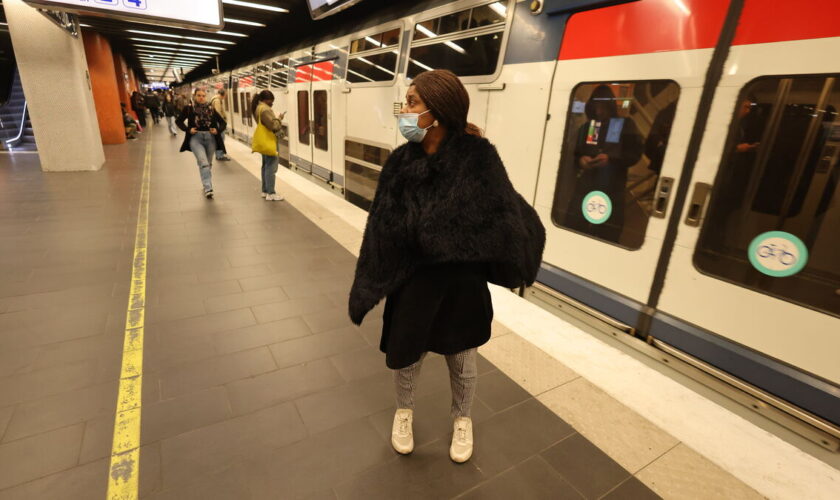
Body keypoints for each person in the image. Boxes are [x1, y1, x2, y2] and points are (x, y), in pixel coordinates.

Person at [348, 70, 545, 464]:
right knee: (407, 355)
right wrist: (372, 279)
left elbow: (506, 210)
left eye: (412, 103)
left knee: (463, 359)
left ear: (437, 112)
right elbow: (381, 223)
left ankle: (462, 419)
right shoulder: (401, 162)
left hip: (461, 282)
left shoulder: (478, 157)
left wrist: (512, 253)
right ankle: (404, 414)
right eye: (406, 102)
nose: (405, 111)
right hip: (413, 281)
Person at [565, 84, 643, 243]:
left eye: (603, 107)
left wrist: (612, 160)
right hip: (586, 186)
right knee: (575, 226)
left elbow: (635, 153)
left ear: (610, 106)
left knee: (607, 232)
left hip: (612, 189)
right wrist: (581, 160)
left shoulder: (624, 124)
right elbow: (576, 152)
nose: (599, 112)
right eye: (596, 107)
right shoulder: (590, 126)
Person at [176, 89, 227, 199]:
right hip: (196, 138)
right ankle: (208, 188)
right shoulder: (189, 108)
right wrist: (188, 130)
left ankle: (205, 182)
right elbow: (178, 121)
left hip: (210, 139)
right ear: (195, 96)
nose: (201, 98)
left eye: (203, 95)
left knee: (207, 164)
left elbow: (223, 123)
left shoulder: (211, 108)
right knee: (203, 163)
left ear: (206, 97)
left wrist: (217, 130)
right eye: (199, 95)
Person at [250, 90, 286, 201]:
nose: (272, 103)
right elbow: (273, 126)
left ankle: (265, 190)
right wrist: (279, 118)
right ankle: (271, 193)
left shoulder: (258, 108)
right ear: (266, 100)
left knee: (265, 165)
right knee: (271, 167)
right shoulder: (265, 109)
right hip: (269, 141)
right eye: (271, 101)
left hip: (264, 141)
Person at [210, 89, 232, 161]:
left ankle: (219, 155)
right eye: (225, 95)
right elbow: (218, 113)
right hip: (218, 123)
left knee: (219, 139)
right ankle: (220, 156)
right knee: (220, 139)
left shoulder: (215, 99)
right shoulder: (217, 101)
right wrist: (222, 122)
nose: (225, 97)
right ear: (223, 94)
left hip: (217, 123)